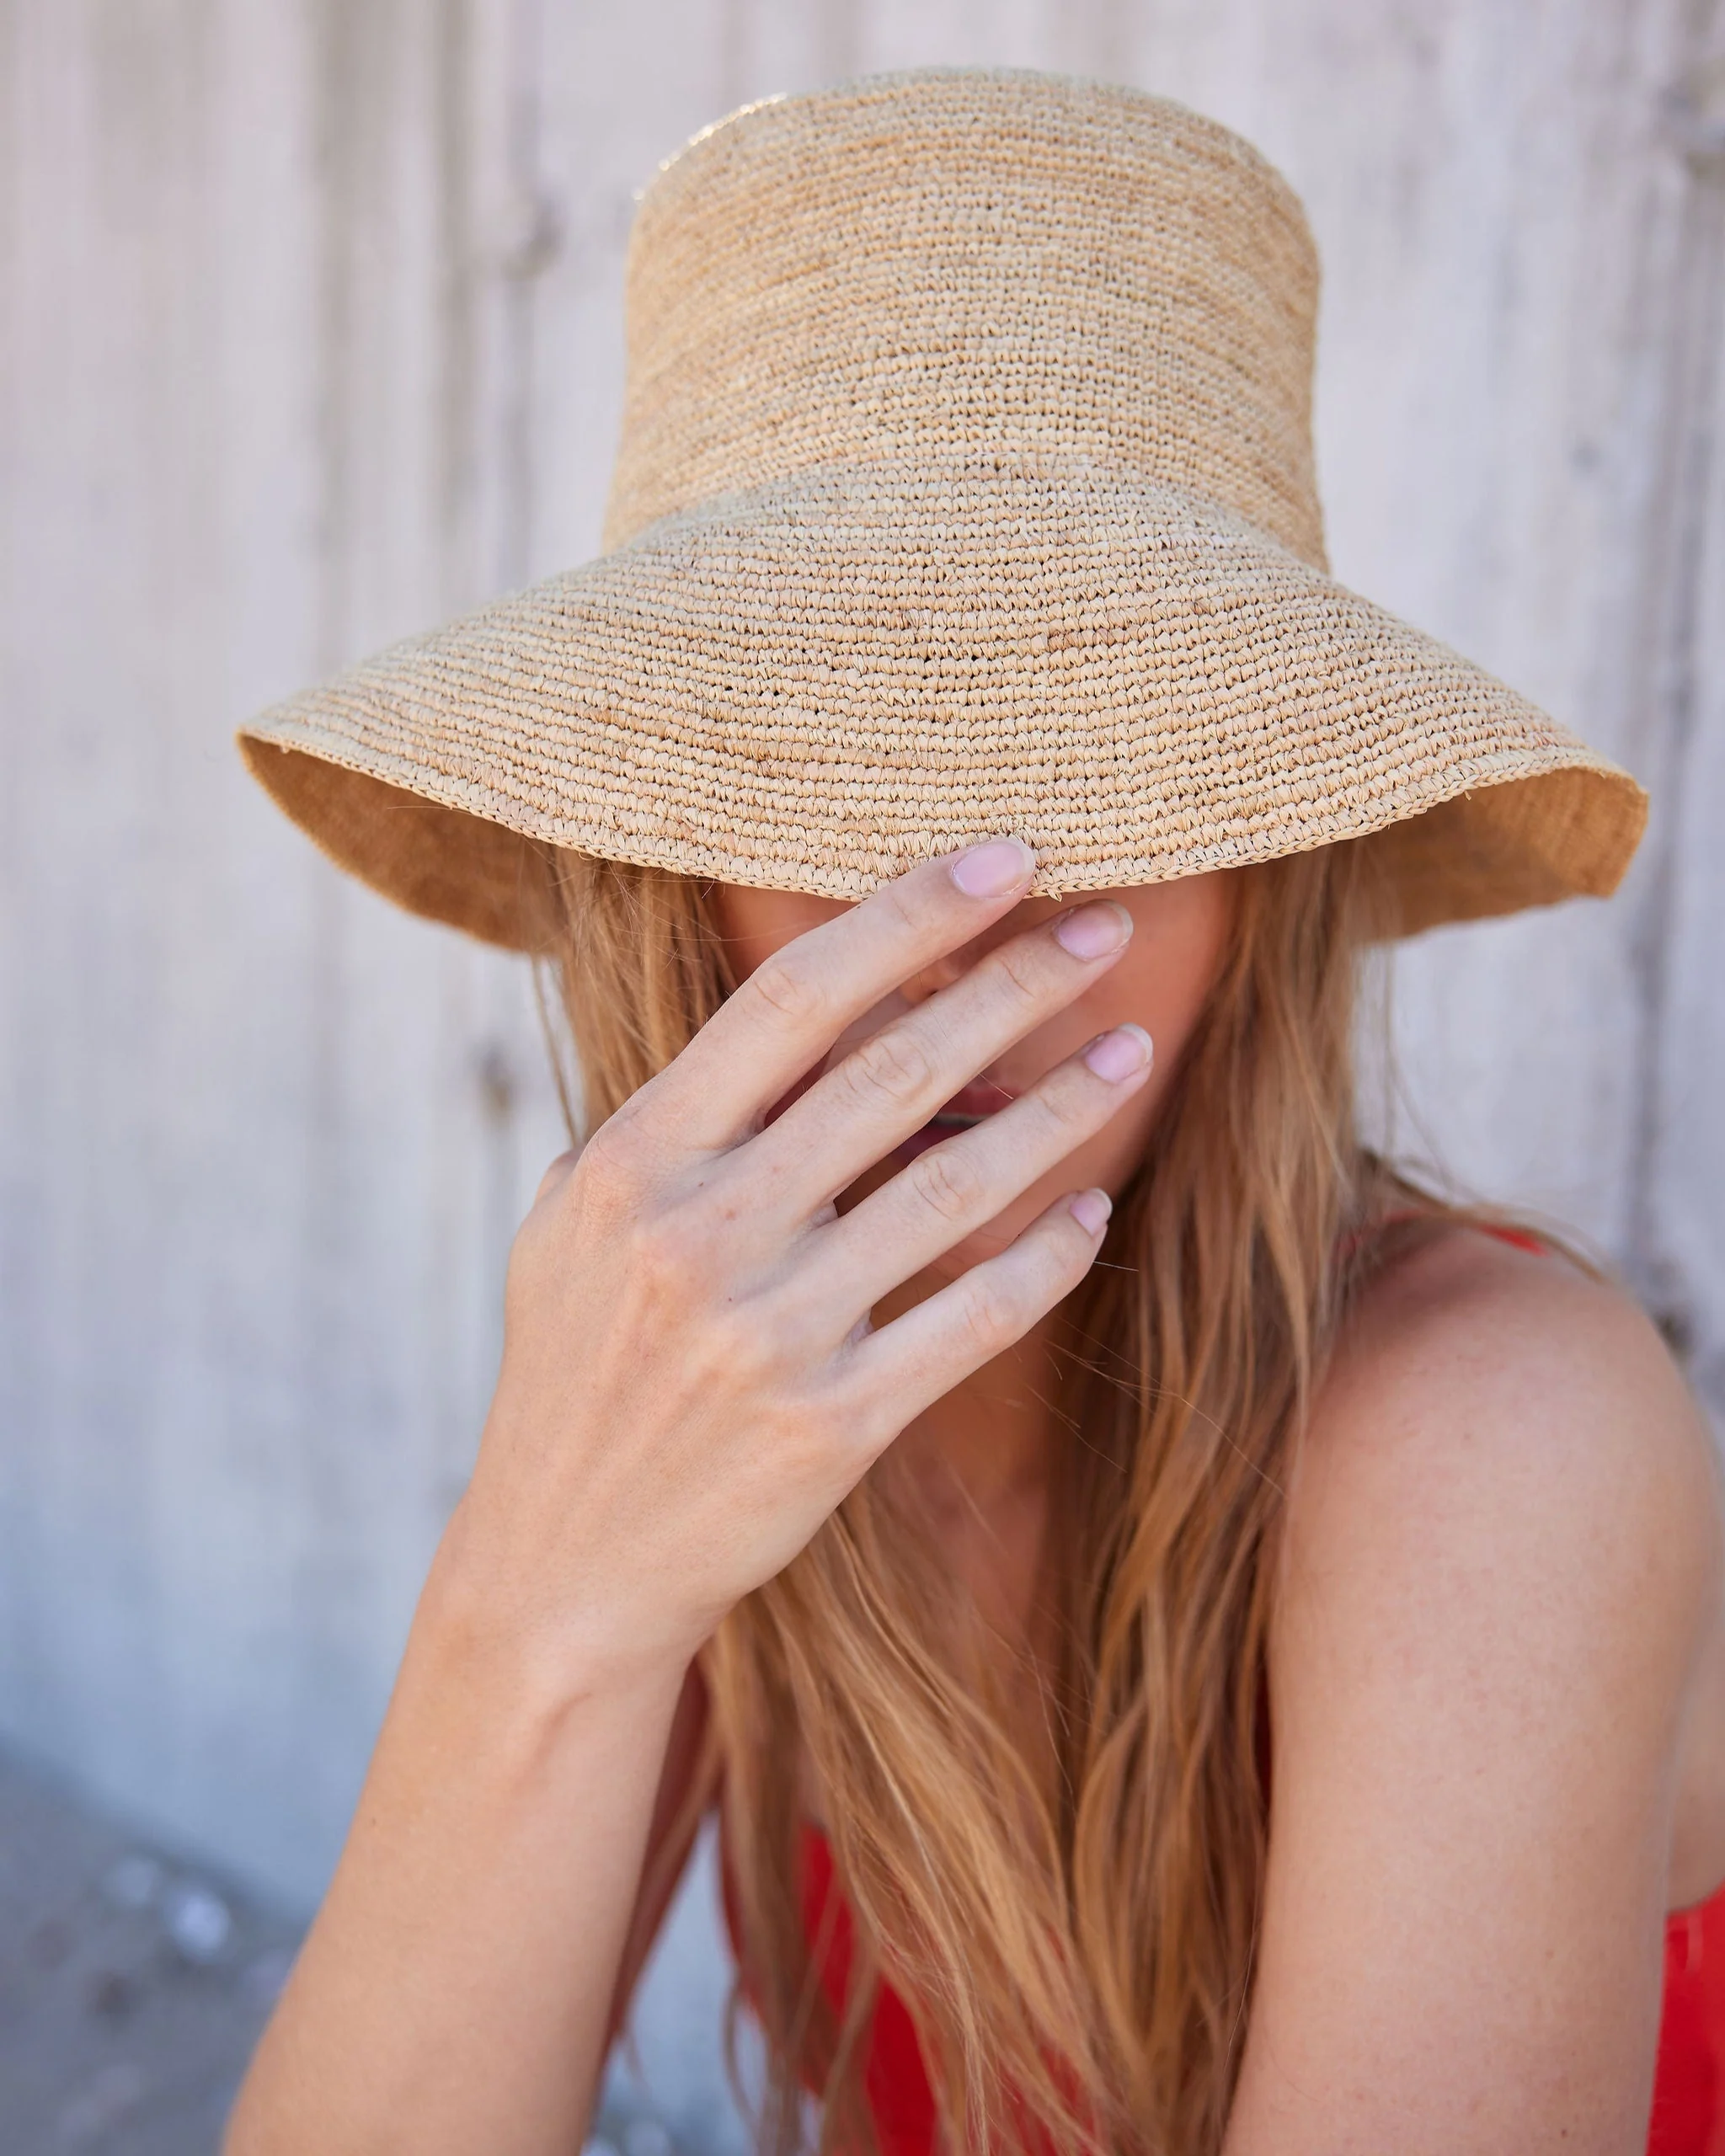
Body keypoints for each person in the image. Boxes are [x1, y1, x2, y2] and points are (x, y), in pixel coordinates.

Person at [224, 68, 1724, 2156]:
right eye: (832, 784)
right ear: (668, 873)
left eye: (1106, 786)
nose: (957, 929)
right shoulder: (721, 1395)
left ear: (1262, 872)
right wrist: (539, 1602)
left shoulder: (1492, 1435)